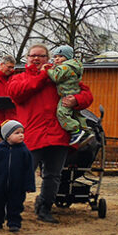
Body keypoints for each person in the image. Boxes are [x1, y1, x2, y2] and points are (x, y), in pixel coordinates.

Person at [8, 43, 94, 224]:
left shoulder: (62, 77)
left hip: (58, 135)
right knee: (23, 173)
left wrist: (76, 100)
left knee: (53, 176)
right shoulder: (20, 78)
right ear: (27, 58)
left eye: (41, 56)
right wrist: (42, 76)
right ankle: (13, 208)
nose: (36, 59)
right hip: (32, 135)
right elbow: (17, 94)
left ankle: (45, 208)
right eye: (33, 56)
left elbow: (86, 94)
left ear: (49, 59)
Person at [0, 120, 34, 232]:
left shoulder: (25, 152)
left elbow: (29, 170)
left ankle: (14, 223)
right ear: (7, 136)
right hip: (0, 184)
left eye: (22, 132)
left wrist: (29, 185)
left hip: (17, 185)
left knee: (15, 204)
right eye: (17, 133)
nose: (21, 135)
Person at [47, 45, 93, 146]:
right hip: (69, 93)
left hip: (66, 95)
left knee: (61, 112)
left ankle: (76, 131)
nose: (57, 59)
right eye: (55, 57)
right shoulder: (73, 68)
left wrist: (76, 100)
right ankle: (86, 131)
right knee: (76, 114)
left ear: (68, 58)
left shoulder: (64, 68)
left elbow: (56, 77)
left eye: (60, 56)